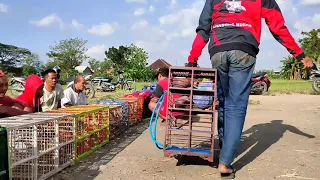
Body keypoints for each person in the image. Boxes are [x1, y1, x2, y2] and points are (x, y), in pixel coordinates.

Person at [187, 0, 314, 178]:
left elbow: (203, 29)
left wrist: (192, 58)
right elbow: (278, 27)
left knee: (223, 102)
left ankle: (224, 149)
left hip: (218, 51)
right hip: (243, 50)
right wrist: (299, 54)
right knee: (236, 106)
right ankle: (225, 162)